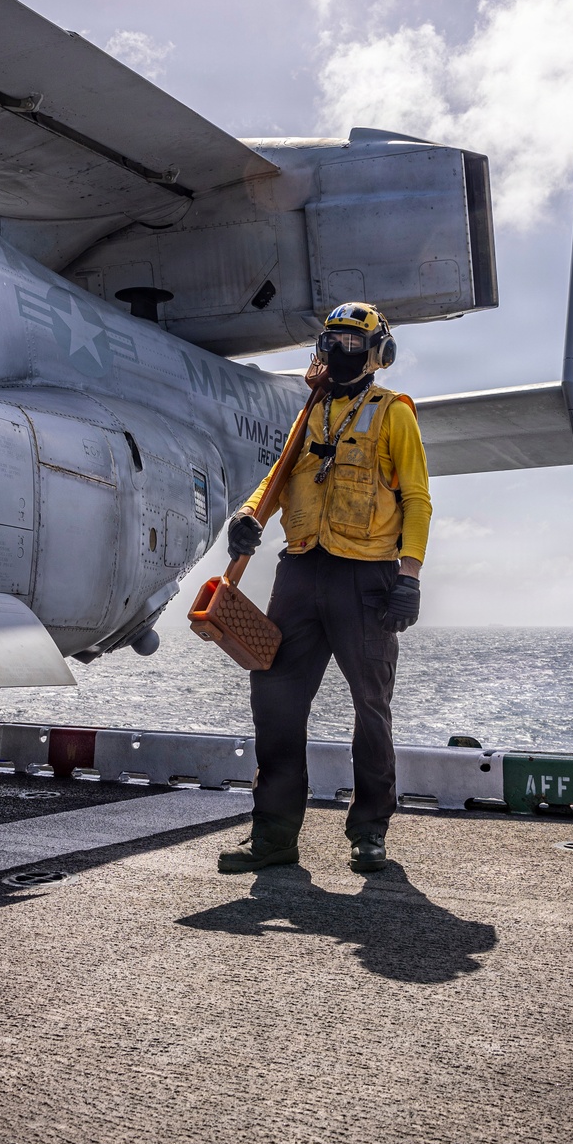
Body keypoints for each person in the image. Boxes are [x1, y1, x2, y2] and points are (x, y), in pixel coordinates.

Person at [218, 302, 432, 876]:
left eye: (352, 343)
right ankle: (273, 836)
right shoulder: (309, 410)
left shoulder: (393, 413)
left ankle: (369, 831)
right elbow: (279, 475)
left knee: (371, 707)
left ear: (378, 354)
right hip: (299, 571)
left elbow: (417, 499)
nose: (339, 352)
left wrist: (409, 577)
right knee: (275, 701)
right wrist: (248, 514)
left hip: (368, 579)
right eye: (331, 342)